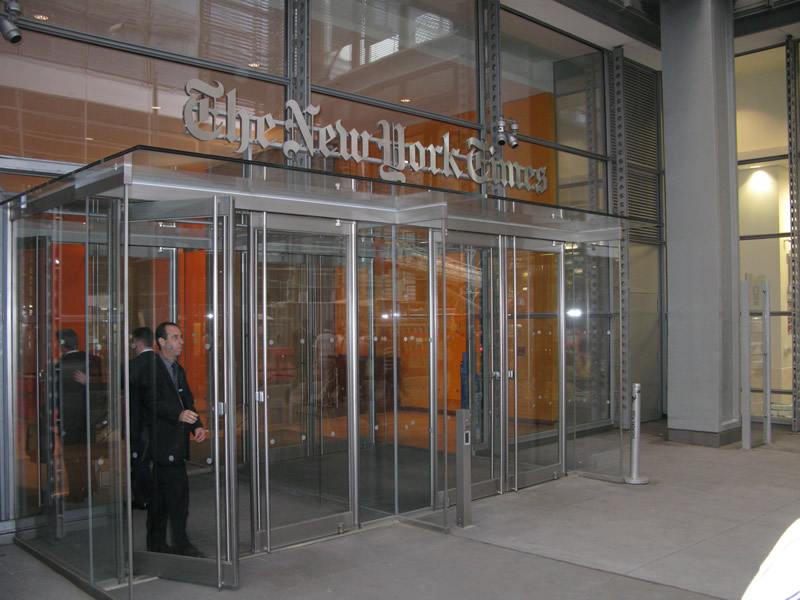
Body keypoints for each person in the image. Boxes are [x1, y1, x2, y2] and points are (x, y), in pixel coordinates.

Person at [143, 321, 206, 557]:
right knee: (177, 495)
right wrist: (178, 414)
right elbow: (152, 402)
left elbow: (187, 401)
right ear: (162, 342)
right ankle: (181, 543)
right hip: (163, 440)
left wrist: (196, 425)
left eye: (181, 336)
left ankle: (156, 543)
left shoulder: (178, 370)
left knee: (160, 496)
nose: (181, 342)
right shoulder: (153, 369)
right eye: (176, 337)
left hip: (175, 442)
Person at [53, 328, 102, 503]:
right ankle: (89, 487)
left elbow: (55, 394)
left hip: (70, 418)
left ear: (61, 344)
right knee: (86, 453)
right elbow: (103, 387)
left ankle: (76, 490)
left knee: (72, 456)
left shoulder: (60, 366)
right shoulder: (93, 360)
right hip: (89, 417)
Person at [128, 326, 155, 510]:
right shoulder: (162, 362)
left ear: (137, 343)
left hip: (139, 422)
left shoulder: (132, 366)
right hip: (158, 420)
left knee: (139, 461)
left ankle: (143, 498)